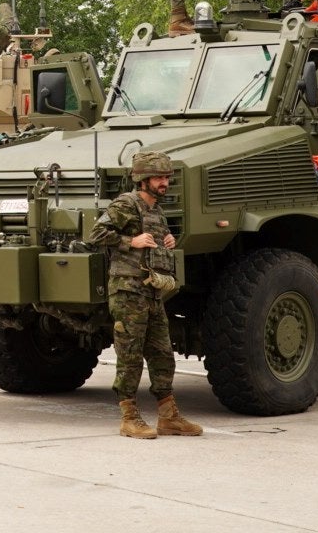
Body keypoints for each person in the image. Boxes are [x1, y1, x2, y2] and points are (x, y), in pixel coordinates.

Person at [87, 149, 203, 439]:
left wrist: (166, 241)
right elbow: (96, 234)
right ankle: (129, 416)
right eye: (158, 178)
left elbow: (153, 245)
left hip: (152, 291)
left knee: (163, 354)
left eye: (166, 177)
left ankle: (168, 416)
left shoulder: (157, 210)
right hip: (128, 291)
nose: (164, 183)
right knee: (130, 355)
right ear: (142, 179)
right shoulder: (126, 204)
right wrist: (130, 240)